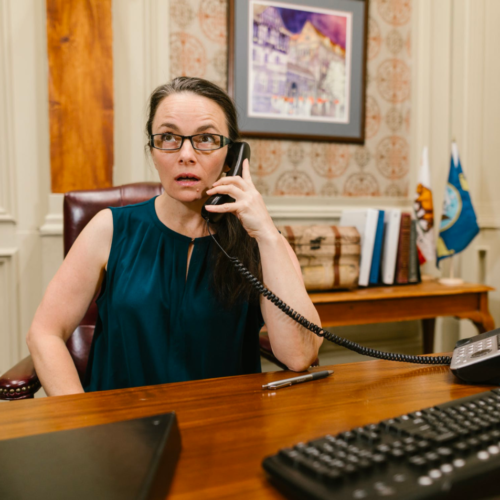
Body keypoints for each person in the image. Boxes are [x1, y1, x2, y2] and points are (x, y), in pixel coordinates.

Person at [26, 77, 322, 396]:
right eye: (168, 137)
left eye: (206, 138)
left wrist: (265, 233)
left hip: (226, 428)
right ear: (152, 150)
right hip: (118, 431)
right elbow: (45, 332)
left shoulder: (260, 242)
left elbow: (299, 356)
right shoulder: (109, 228)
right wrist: (80, 421)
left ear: (232, 156)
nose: (186, 154)